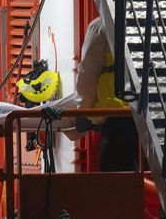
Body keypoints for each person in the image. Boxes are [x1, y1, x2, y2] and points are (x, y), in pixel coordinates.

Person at [46, 16, 138, 171]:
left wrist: (83, 112)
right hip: (144, 115)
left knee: (115, 179)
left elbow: (87, 75)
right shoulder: (144, 21)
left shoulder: (100, 26)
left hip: (117, 116)